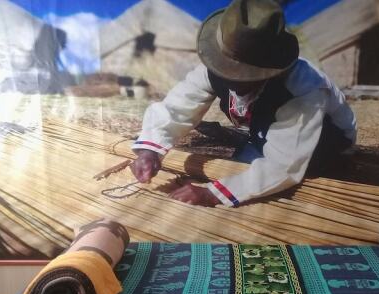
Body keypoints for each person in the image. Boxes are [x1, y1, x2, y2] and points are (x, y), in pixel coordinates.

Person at [131, 0, 356, 207]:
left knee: (276, 189)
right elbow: (177, 107)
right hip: (264, 134)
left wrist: (212, 194)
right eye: (227, 69)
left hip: (325, 141)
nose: (233, 79)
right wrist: (150, 151)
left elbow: (284, 165)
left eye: (246, 74)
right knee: (240, 169)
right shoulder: (215, 67)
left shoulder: (303, 90)